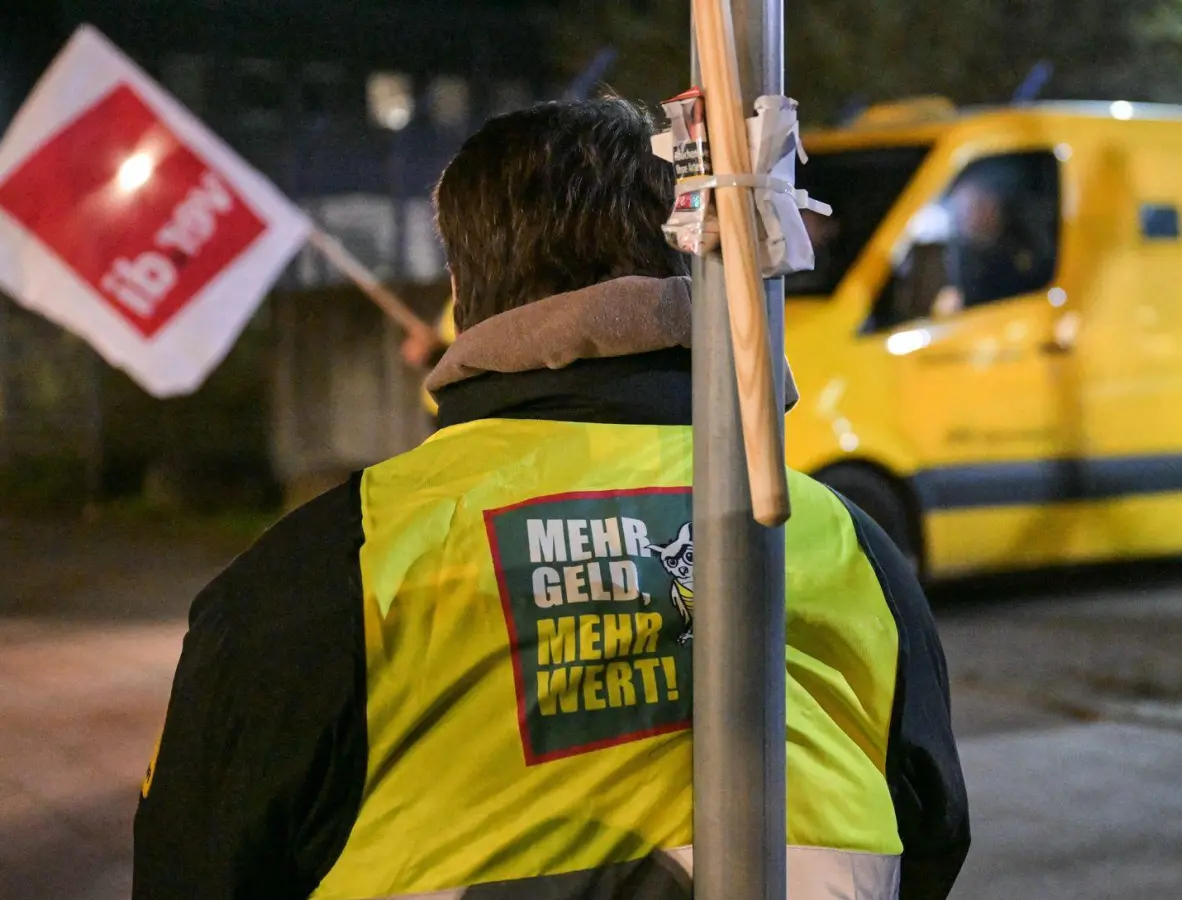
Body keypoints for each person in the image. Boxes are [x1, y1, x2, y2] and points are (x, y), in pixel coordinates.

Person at [133, 98, 969, 900]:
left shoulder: (320, 580)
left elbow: (191, 870)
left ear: (464, 290)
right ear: (684, 256)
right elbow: (932, 838)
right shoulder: (846, 546)